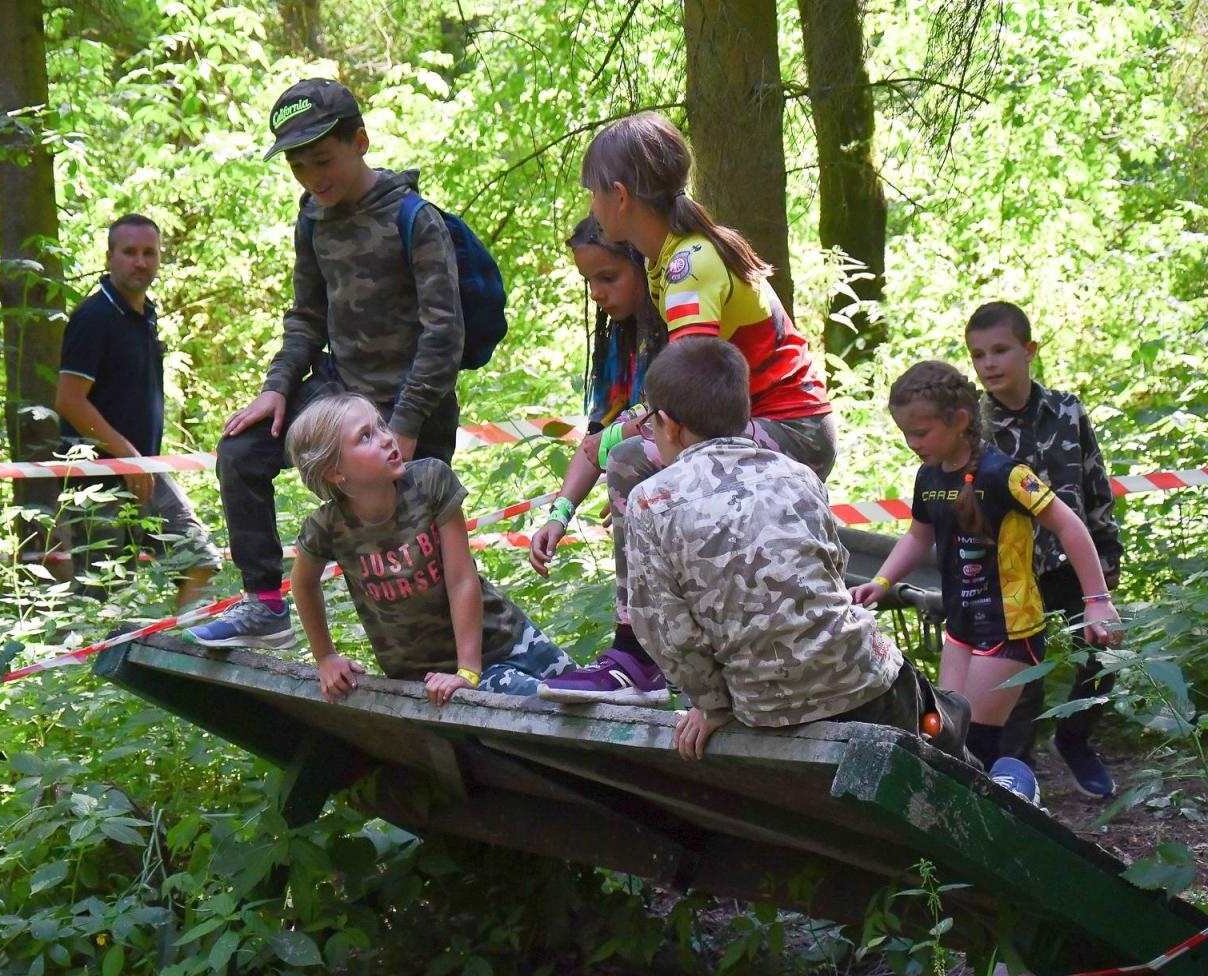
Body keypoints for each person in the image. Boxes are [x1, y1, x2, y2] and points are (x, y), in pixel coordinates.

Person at [536, 111, 837, 705]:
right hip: (755, 421)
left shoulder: (687, 265)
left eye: (593, 195)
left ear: (619, 197)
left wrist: (621, 437)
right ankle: (683, 642)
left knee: (629, 462)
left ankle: (638, 655)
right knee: (628, 451)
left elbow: (689, 392)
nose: (592, 208)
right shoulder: (670, 257)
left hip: (789, 428)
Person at [186, 77, 464, 650]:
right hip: (339, 394)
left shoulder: (414, 219)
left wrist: (406, 425)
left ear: (359, 142)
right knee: (241, 451)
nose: (314, 178)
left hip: (413, 407)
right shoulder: (312, 219)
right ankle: (265, 606)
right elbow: (307, 317)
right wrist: (277, 387)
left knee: (415, 561)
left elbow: (444, 336)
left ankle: (469, 665)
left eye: (322, 160)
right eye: (298, 166)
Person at [623, 337, 970, 764]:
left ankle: (955, 720)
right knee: (946, 752)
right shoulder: (797, 475)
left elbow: (666, 630)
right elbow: (832, 568)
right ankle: (958, 730)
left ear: (670, 425)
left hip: (764, 708)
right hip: (862, 680)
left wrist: (712, 705)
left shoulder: (651, 501)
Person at [849, 360, 1122, 806]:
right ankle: (982, 814)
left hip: (1010, 629)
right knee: (944, 735)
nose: (912, 443)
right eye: (905, 433)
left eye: (921, 432)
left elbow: (1070, 527)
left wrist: (1097, 600)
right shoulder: (929, 476)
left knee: (972, 741)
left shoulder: (1007, 474)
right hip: (961, 627)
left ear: (959, 421)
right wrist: (880, 582)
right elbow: (919, 535)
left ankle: (1016, 802)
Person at [280, 393, 573, 703]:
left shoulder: (430, 481)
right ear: (334, 471)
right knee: (543, 707)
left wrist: (467, 671)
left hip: (506, 637)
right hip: (429, 676)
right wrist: (326, 657)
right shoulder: (327, 527)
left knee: (592, 697)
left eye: (381, 426)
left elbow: (461, 578)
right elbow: (303, 583)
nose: (386, 439)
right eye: (365, 437)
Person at [967, 301, 1122, 798]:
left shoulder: (1067, 411)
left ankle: (1075, 740)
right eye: (978, 355)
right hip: (1010, 574)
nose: (989, 364)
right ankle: (1016, 774)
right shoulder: (972, 425)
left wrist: (1107, 560)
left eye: (1000, 350)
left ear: (1028, 350)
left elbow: (1095, 486)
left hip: (1071, 562)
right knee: (1020, 684)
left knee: (1102, 658)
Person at [54, 214, 221, 608]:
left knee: (198, 561)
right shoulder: (93, 317)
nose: (140, 262)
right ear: (110, 256)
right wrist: (125, 456)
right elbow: (69, 399)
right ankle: (86, 666)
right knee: (105, 598)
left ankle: (184, 657)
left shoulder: (145, 316)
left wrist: (137, 461)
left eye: (149, 253)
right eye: (129, 252)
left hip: (143, 470)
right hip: (97, 480)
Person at [527, 217, 663, 609]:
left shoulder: (681, 326)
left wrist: (637, 476)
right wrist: (559, 515)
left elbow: (678, 422)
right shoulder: (620, 344)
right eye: (589, 281)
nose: (596, 294)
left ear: (643, 265)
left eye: (608, 277)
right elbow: (594, 444)